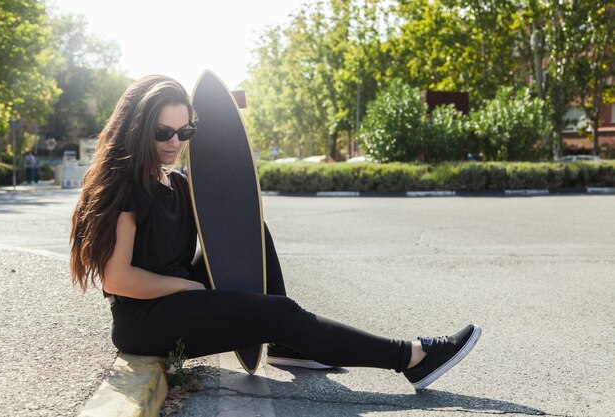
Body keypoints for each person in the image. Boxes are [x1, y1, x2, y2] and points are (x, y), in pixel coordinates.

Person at [70, 75, 481, 391]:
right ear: (139, 128)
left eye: (186, 132)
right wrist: (186, 288)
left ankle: (289, 347)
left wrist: (227, 108)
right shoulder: (125, 188)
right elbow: (116, 279)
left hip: (175, 295)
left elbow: (228, 221)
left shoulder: (175, 185)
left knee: (248, 227)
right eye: (163, 133)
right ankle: (412, 357)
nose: (175, 142)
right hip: (145, 320)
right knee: (279, 315)